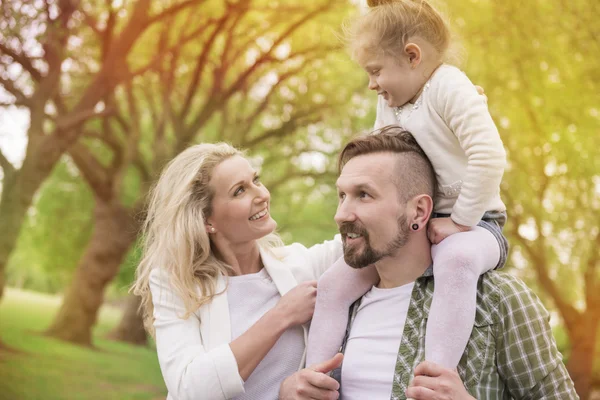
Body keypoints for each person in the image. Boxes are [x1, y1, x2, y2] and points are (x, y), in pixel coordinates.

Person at [281, 127, 578, 399]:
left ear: (419, 212)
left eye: (364, 195)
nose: (342, 214)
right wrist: (287, 392)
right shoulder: (337, 307)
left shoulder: (497, 299)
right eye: (342, 195)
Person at [307, 0, 509, 377]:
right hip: (421, 221)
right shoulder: (393, 104)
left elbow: (490, 157)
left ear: (412, 56)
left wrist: (461, 222)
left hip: (479, 223)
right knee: (334, 283)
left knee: (457, 261)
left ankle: (435, 376)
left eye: (376, 71)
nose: (371, 84)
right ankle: (316, 376)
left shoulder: (450, 87)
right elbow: (383, 159)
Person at [131, 143, 344, 400]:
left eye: (256, 180)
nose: (262, 195)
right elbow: (190, 388)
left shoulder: (302, 264)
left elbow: (373, 227)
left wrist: (399, 105)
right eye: (239, 191)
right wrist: (281, 315)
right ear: (206, 220)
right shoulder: (176, 284)